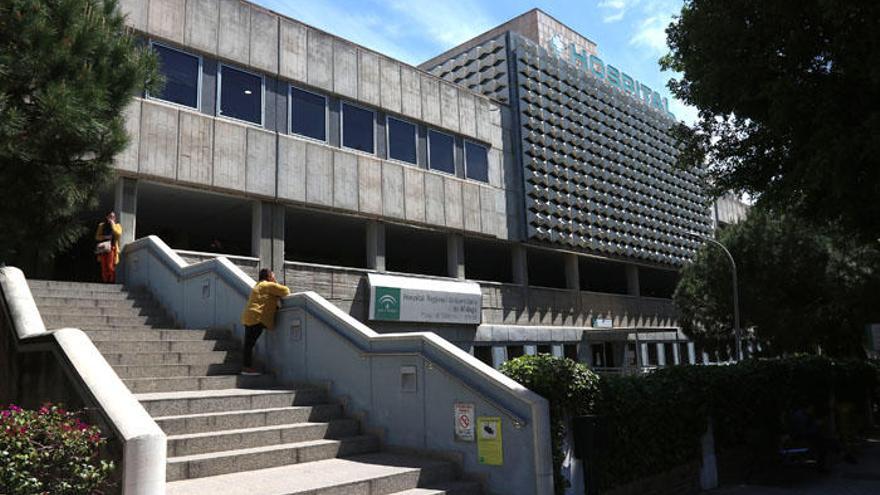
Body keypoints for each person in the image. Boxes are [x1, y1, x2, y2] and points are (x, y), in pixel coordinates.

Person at [239, 268, 290, 375]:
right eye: (273, 275)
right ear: (269, 277)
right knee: (250, 344)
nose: (274, 277)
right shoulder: (268, 285)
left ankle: (246, 367)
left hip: (249, 316)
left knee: (249, 344)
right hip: (257, 317)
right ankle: (246, 368)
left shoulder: (258, 285)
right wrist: (275, 282)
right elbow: (286, 291)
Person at [95, 211, 122, 283]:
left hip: (112, 248)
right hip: (103, 248)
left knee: (110, 266)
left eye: (113, 217)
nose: (112, 218)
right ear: (107, 217)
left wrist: (113, 225)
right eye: (110, 216)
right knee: (104, 266)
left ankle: (111, 281)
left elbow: (118, 234)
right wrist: (104, 237)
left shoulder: (117, 226)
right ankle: (105, 280)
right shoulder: (102, 225)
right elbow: (97, 237)